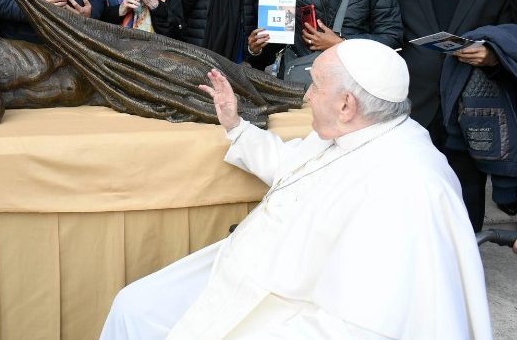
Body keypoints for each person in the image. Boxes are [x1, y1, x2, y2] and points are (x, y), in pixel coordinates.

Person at [100, 39, 492, 339]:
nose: (306, 95)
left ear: (346, 105)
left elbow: (370, 316)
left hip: (294, 306)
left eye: (316, 86)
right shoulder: (354, 129)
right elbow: (292, 168)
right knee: (132, 307)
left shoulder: (408, 182)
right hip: (251, 268)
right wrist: (236, 125)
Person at [390, 0, 515, 230]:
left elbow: (508, 46)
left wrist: (490, 58)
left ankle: (464, 269)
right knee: (406, 196)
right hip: (412, 107)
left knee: (464, 199)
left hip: (467, 111)